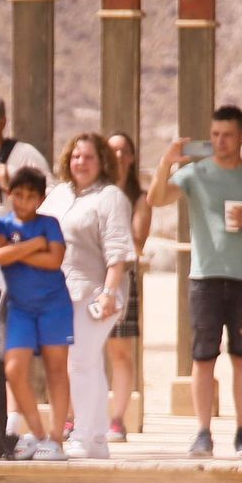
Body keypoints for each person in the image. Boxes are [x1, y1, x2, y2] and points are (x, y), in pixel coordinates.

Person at [149, 106, 242, 457]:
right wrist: (166, 163)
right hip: (205, 277)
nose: (220, 141)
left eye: (227, 135)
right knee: (203, 357)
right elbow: (156, 199)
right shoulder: (195, 173)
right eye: (215, 135)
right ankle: (203, 432)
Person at [49, 132, 135, 459]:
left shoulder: (111, 197)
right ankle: (97, 438)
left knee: (80, 361)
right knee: (88, 362)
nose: (80, 163)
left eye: (88, 157)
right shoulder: (58, 195)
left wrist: (110, 292)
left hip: (97, 292)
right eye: (75, 157)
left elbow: (118, 250)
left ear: (102, 162)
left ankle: (84, 434)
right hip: (61, 291)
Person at [0, 167, 71, 462]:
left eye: (31, 197)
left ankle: (57, 439)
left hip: (54, 304)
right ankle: (37, 434)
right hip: (20, 308)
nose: (24, 202)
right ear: (10, 194)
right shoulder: (0, 224)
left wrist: (17, 249)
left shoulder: (50, 223)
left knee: (56, 369)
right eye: (19, 195)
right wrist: (35, 244)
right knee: (13, 370)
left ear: (41, 198)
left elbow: (55, 260)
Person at [0, 98, 54, 452]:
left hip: (20, 274)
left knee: (18, 351)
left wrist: (12, 183)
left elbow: (53, 197)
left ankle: (22, 425)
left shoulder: (24, 155)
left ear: (1, 120)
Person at [105, 131, 153, 443]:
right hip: (90, 275)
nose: (119, 157)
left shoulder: (139, 198)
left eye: (125, 151)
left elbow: (136, 241)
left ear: (132, 157)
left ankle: (117, 419)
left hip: (122, 277)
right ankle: (74, 417)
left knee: (120, 352)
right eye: (113, 151)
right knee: (79, 351)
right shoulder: (92, 192)